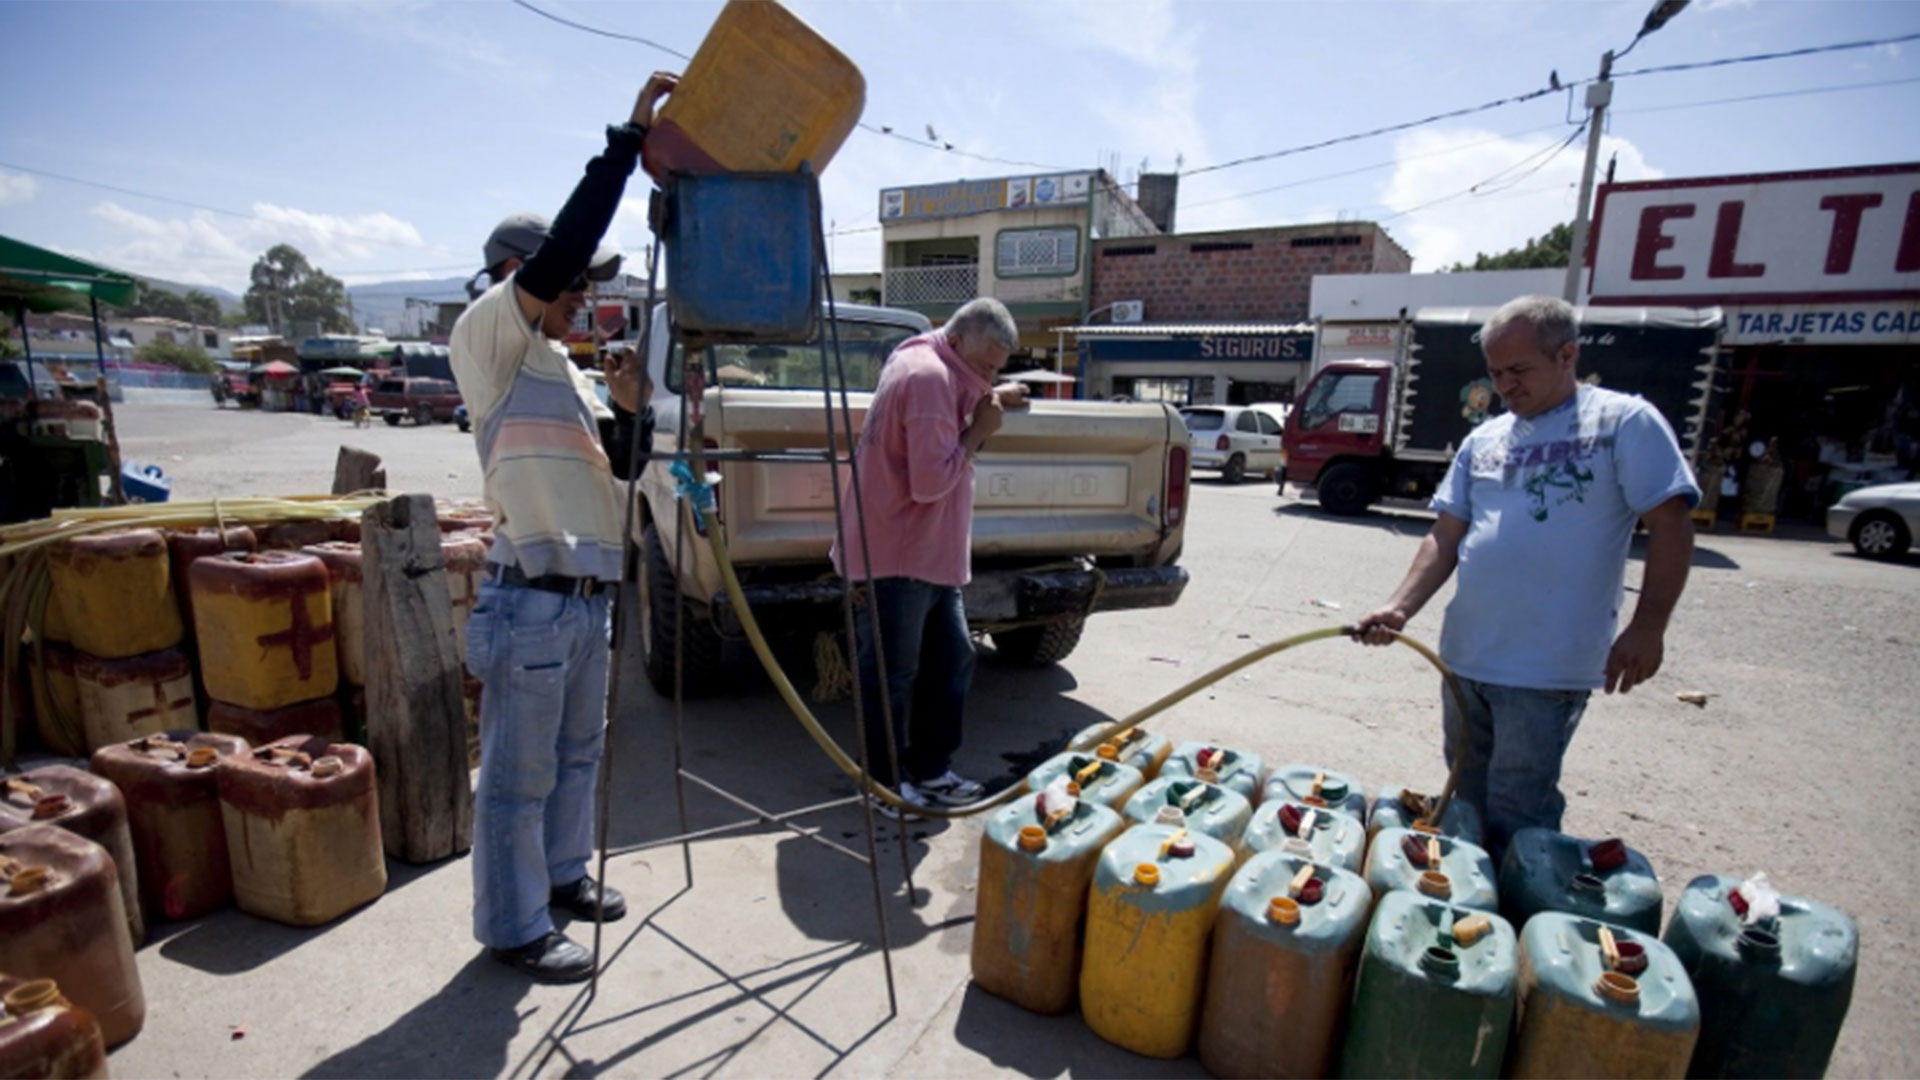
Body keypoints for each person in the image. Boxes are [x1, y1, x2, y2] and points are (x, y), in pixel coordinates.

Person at [450, 71, 675, 983]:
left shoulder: (566, 370)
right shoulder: (490, 339)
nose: (584, 295)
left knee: (578, 755)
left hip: (585, 600)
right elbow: (564, 247)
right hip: (531, 602)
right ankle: (513, 926)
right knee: (517, 776)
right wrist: (627, 141)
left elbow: (617, 476)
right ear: (518, 277)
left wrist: (628, 409)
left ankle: (561, 878)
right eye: (574, 281)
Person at [1355, 295, 1698, 860]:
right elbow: (1445, 535)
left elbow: (1671, 525)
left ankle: (1522, 923)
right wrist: (1399, 607)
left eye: (1518, 370)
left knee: (1520, 810)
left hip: (1546, 670)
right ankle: (1467, 905)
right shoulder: (1483, 440)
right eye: (1494, 373)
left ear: (1567, 354)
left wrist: (1648, 626)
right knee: (1463, 800)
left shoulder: (1622, 423)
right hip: (1466, 658)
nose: (1505, 385)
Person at [831, 298, 1030, 817]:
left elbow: (960, 390)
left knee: (952, 658)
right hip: (899, 554)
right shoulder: (928, 380)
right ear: (958, 341)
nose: (987, 376)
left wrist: (992, 392)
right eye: (985, 365)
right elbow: (931, 481)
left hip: (927, 554)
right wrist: (979, 433)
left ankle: (931, 769)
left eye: (996, 370)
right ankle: (882, 783)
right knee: (893, 675)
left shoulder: (929, 359)